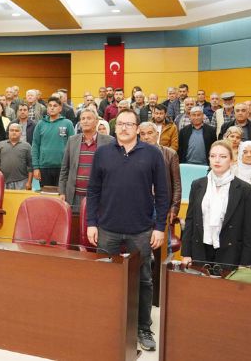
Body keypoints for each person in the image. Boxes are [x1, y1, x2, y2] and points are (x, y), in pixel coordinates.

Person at [86, 109, 168, 352]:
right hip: (107, 229)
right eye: (120, 124)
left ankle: (143, 327)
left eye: (129, 124)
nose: (123, 128)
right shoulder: (102, 153)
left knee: (144, 280)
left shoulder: (153, 154)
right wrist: (91, 222)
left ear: (137, 128)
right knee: (105, 278)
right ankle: (106, 321)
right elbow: (93, 191)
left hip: (141, 230)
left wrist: (160, 228)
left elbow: (163, 194)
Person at [181, 140, 251, 266]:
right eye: (213, 156)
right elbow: (190, 220)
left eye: (223, 156)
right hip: (200, 249)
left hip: (230, 252)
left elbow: (248, 228)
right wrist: (186, 253)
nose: (217, 160)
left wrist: (245, 262)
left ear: (232, 160)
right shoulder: (197, 185)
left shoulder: (244, 189)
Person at [59, 109, 114, 213]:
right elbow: (64, 169)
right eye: (83, 118)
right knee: (75, 222)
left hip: (99, 196)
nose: (85, 121)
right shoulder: (72, 140)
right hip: (74, 196)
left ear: (96, 121)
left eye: (89, 118)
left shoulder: (109, 141)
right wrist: (62, 192)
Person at [139, 122, 181, 225]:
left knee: (162, 234)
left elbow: (176, 184)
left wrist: (174, 207)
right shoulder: (135, 155)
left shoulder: (170, 154)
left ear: (157, 134)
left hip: (161, 205)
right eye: (142, 134)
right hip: (140, 206)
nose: (146, 137)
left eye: (150, 133)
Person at [31, 96, 75, 187]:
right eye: (50, 105)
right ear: (47, 108)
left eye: (55, 106)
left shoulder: (68, 123)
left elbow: (73, 147)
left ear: (60, 108)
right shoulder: (40, 124)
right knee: (45, 195)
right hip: (44, 167)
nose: (52, 108)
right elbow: (35, 146)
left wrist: (70, 167)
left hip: (63, 168)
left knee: (61, 194)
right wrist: (36, 167)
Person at [0, 123, 33, 190]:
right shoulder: (1, 144)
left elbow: (30, 166)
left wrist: (29, 182)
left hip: (21, 181)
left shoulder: (27, 146)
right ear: (8, 132)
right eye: (12, 130)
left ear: (21, 133)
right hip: (3, 181)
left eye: (16, 131)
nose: (14, 132)